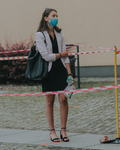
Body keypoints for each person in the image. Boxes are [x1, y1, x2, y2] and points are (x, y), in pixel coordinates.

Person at [35, 8, 74, 142]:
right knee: (50, 101)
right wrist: (61, 55)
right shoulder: (40, 35)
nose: (55, 17)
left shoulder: (59, 33)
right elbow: (46, 56)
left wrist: (69, 73)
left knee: (63, 99)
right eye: (53, 15)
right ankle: (52, 131)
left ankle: (63, 130)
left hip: (61, 70)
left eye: (57, 15)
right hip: (48, 71)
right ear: (46, 18)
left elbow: (66, 56)